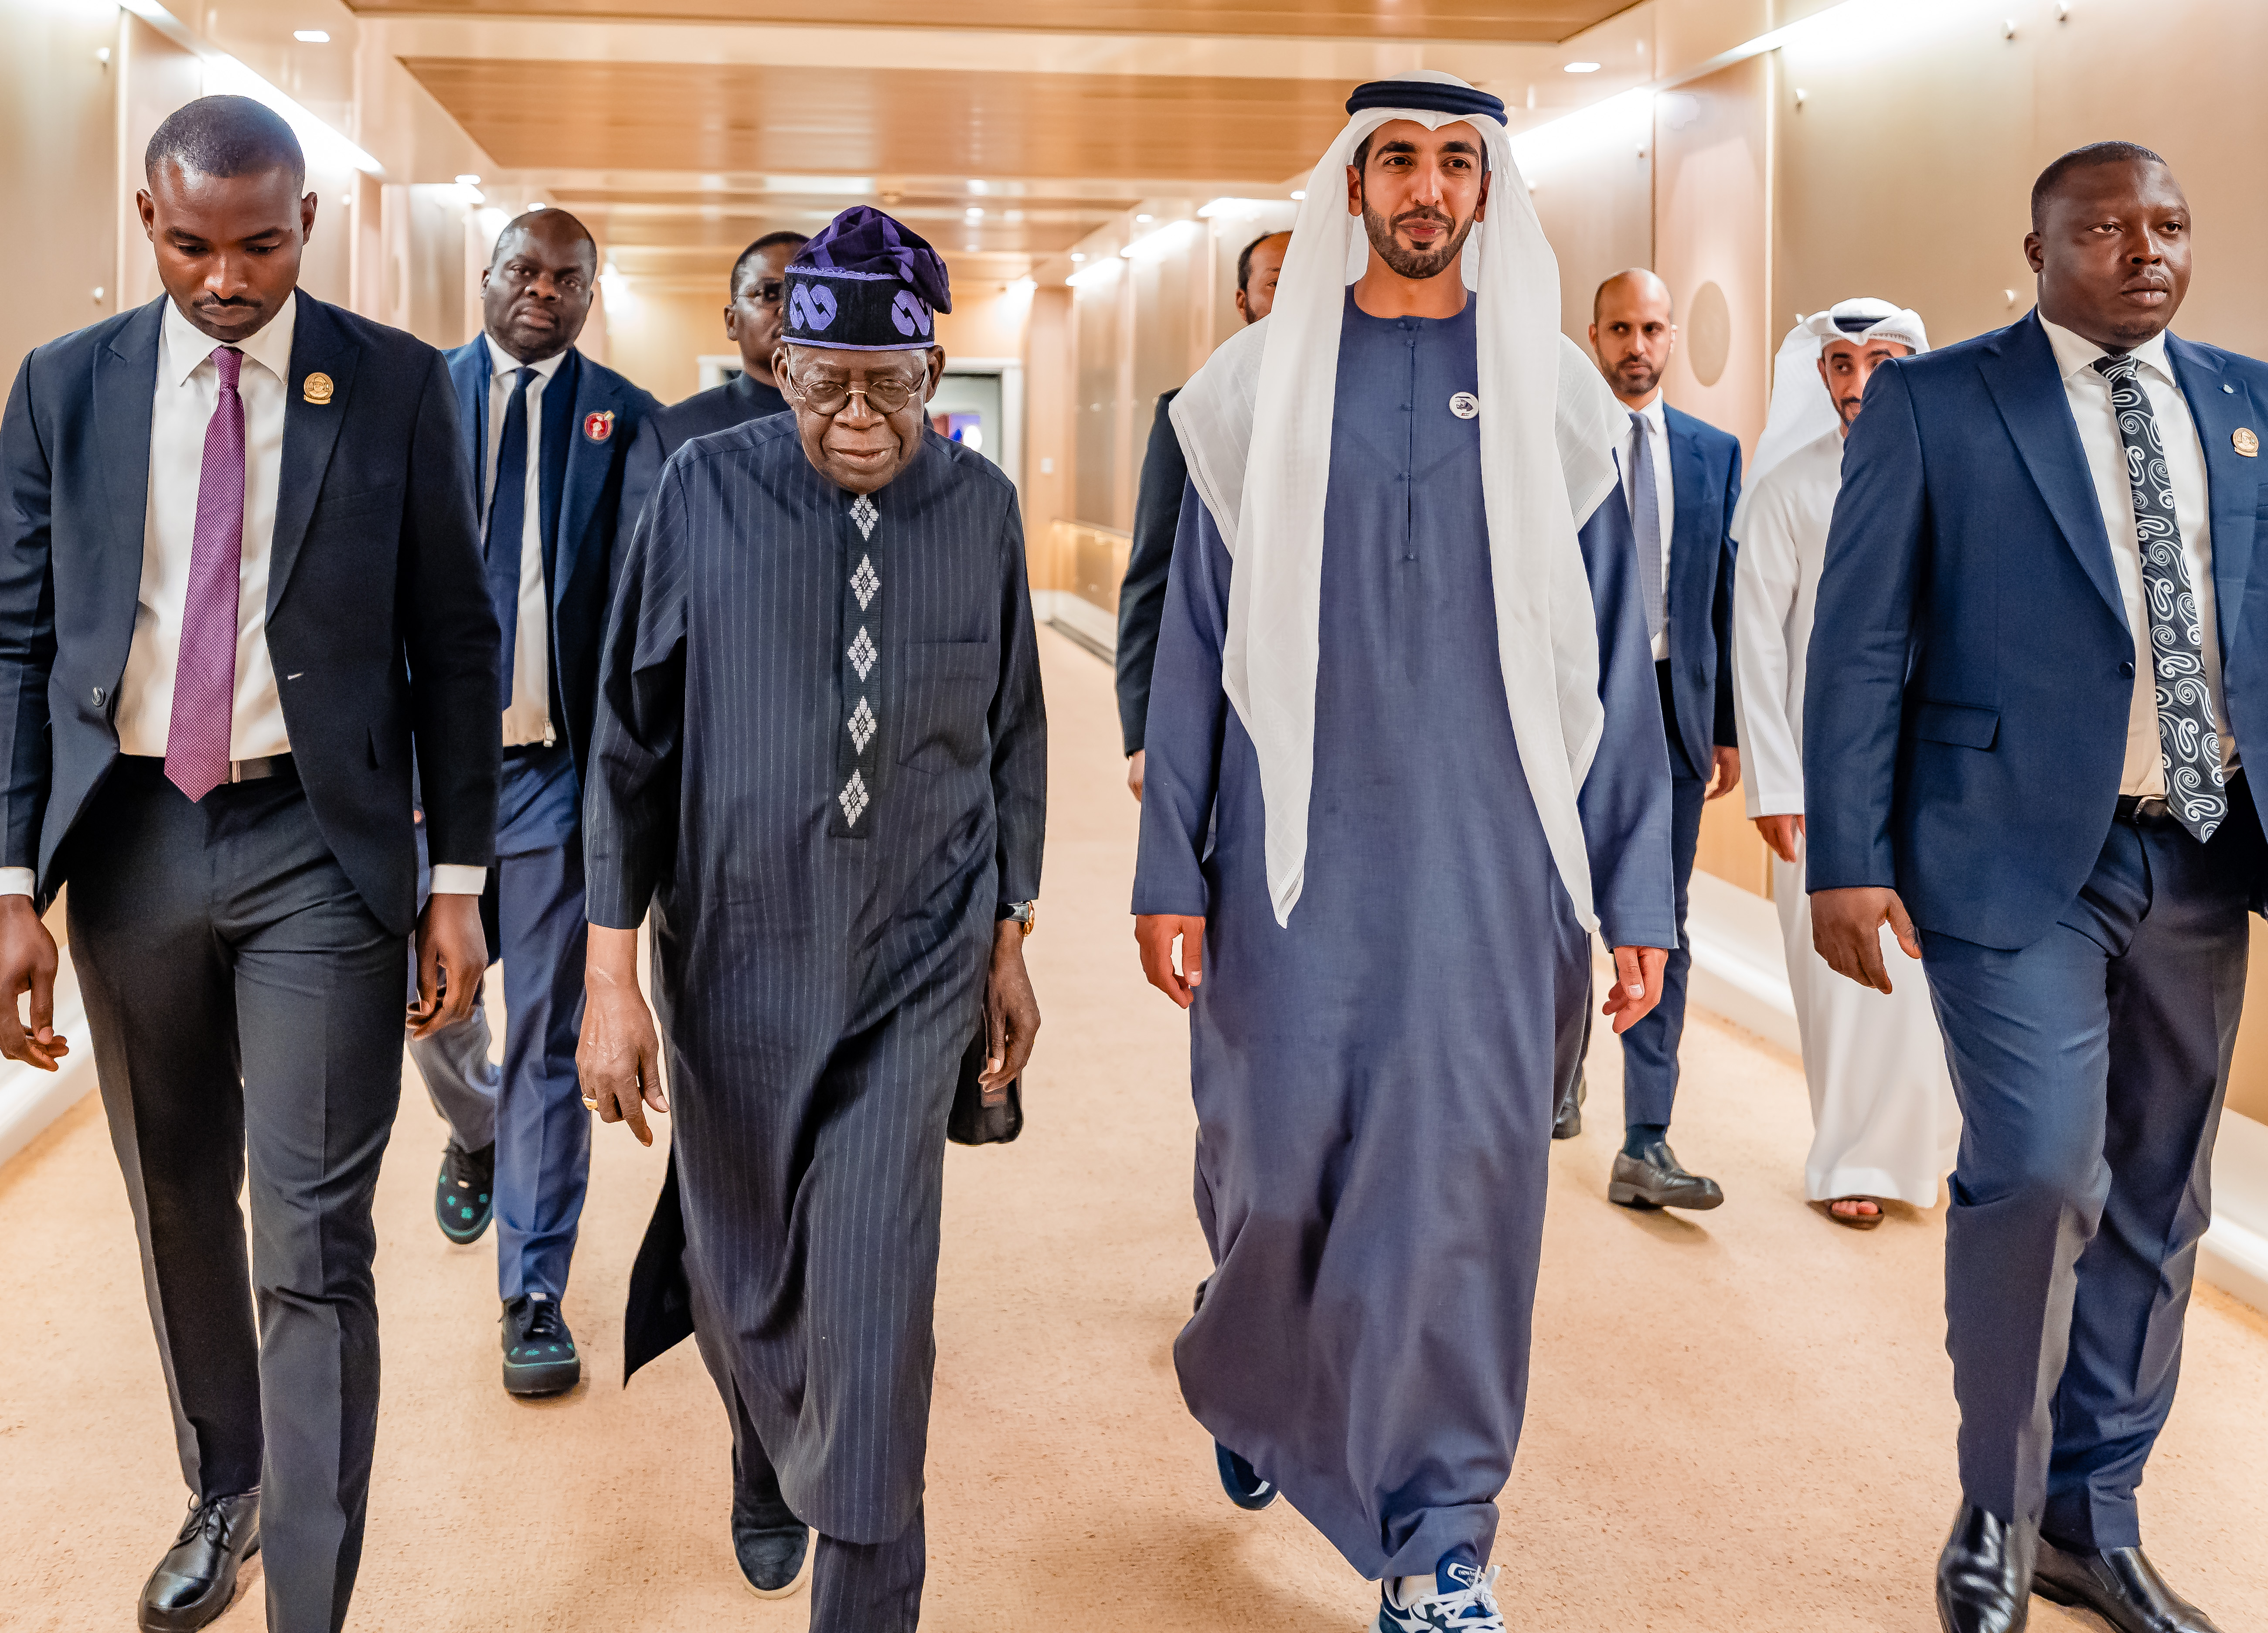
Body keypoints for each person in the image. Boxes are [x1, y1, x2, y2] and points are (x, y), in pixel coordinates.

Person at [1133, 73, 1672, 1633]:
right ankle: (1254, 1380)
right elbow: (1192, 647)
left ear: (1485, 189)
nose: (1425, 187)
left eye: (1453, 161)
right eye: (1395, 160)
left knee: (1460, 1201)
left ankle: (1441, 1535)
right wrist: (1168, 864)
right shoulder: (1250, 389)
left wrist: (1635, 888)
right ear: (1352, 185)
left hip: (1493, 879)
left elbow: (1612, 672)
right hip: (1290, 871)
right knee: (1272, 1172)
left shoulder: (1557, 395)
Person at [0, 95, 497, 1631]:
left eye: (263, 247)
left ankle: (313, 1593)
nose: (228, 279)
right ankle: (227, 1487)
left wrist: (459, 883)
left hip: (318, 845)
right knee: (174, 1193)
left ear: (307, 225)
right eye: (196, 247)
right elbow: (17, 641)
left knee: (311, 1232)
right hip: (131, 836)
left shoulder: (394, 383)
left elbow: (455, 642)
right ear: (149, 223)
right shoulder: (65, 386)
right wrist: (9, 883)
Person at [1806, 142, 2263, 1633]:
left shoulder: (2247, 402)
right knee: (2042, 1169)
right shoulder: (1940, 402)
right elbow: (1860, 638)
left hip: (2199, 847)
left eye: (2169, 227)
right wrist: (1848, 856)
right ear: (2040, 250)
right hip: (2003, 852)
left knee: (2161, 1192)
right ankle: (1995, 1510)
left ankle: (2091, 1519)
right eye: (2108, 229)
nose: (2146, 252)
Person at [578, 205, 1045, 1627]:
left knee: (875, 1290)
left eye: (888, 386)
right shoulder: (701, 491)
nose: (854, 416)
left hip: (919, 955)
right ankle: (763, 1437)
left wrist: (1009, 935)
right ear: (778, 364)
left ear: (933, 372)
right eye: (823, 381)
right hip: (736, 950)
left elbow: (1015, 729)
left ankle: (863, 1582)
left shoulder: (981, 509)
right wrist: (610, 978)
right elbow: (630, 743)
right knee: (742, 1266)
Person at [407, 207, 655, 1398]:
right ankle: (476, 1128)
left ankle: (533, 1290)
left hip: (556, 772)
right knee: (427, 1004)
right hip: (424, 775)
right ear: (488, 275)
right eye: (524, 270)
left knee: (552, 1031)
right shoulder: (412, 396)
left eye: (566, 279)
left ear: (589, 297)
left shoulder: (629, 420)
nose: (542, 292)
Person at [1730, 299, 1959, 1229]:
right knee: (1842, 970)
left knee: (1927, 972)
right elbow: (1757, 644)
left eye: (1883, 361)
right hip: (1821, 774)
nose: (1860, 381)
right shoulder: (1788, 489)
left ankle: (1929, 1152)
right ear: (1819, 374)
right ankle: (1850, 1155)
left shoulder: (1955, 476)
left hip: (1934, 770)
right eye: (1842, 364)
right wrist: (1775, 784)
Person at [1583, 267, 1743, 1200]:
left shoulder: (1712, 451)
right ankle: (1554, 1080)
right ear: (1594, 338)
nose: (1636, 346)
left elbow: (1719, 595)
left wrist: (1723, 728)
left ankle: (1647, 1138)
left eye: (1651, 329)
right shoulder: (1559, 443)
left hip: (1673, 714)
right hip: (1575, 711)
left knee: (1660, 923)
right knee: (1555, 908)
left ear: (1671, 337)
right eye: (1620, 330)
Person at [1116, 228, 1289, 801]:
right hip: (1220, 689)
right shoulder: (1192, 412)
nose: (1295, 295)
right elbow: (1152, 574)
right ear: (1243, 301)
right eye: (1276, 283)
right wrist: (1144, 733)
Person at [619, 229, 808, 532]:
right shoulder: (670, 435)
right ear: (732, 321)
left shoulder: (863, 426)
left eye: (807, 291)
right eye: (769, 294)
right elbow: (639, 557)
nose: (789, 308)